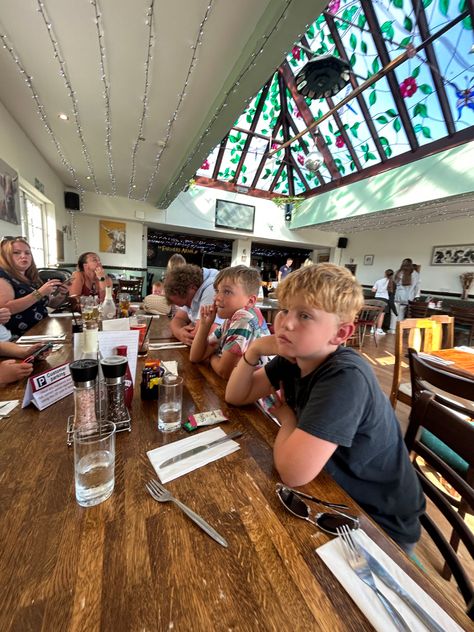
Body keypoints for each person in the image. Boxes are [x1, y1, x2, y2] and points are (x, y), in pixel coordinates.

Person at [225, 263, 425, 551]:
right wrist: (254, 350)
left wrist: (287, 416)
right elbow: (236, 395)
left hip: (377, 523)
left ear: (340, 333)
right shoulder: (295, 357)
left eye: (304, 315)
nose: (287, 323)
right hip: (330, 496)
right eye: (285, 310)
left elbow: (293, 473)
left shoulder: (345, 377)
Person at [190, 265, 270, 379]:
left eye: (227, 292)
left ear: (250, 301)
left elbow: (224, 372)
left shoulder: (244, 318)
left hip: (259, 394)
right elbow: (195, 357)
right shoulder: (229, 320)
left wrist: (212, 356)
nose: (217, 297)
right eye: (217, 291)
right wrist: (205, 325)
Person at [0, 236, 68, 336]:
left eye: (27, 253)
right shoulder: (3, 276)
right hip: (21, 336)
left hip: (43, 329)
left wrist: (62, 294)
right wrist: (39, 293)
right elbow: (5, 308)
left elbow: (51, 304)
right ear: (5, 256)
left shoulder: (31, 277)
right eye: (16, 253)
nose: (24, 256)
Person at [164, 264, 220, 345]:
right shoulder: (189, 291)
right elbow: (177, 319)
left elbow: (197, 337)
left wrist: (180, 331)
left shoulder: (212, 288)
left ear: (192, 288)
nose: (185, 307)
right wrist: (179, 333)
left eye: (186, 304)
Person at [393, 258, 420, 323]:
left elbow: (394, 282)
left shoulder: (398, 272)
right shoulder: (415, 274)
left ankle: (392, 329)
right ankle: (399, 328)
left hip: (398, 295)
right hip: (408, 296)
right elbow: (417, 286)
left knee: (394, 313)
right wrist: (416, 296)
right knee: (402, 313)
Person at [371, 269, 397, 335]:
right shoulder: (392, 282)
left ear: (385, 274)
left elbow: (373, 290)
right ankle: (379, 329)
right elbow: (392, 292)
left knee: (376, 313)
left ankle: (372, 328)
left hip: (377, 298)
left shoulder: (379, 281)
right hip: (384, 299)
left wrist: (379, 291)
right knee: (382, 314)